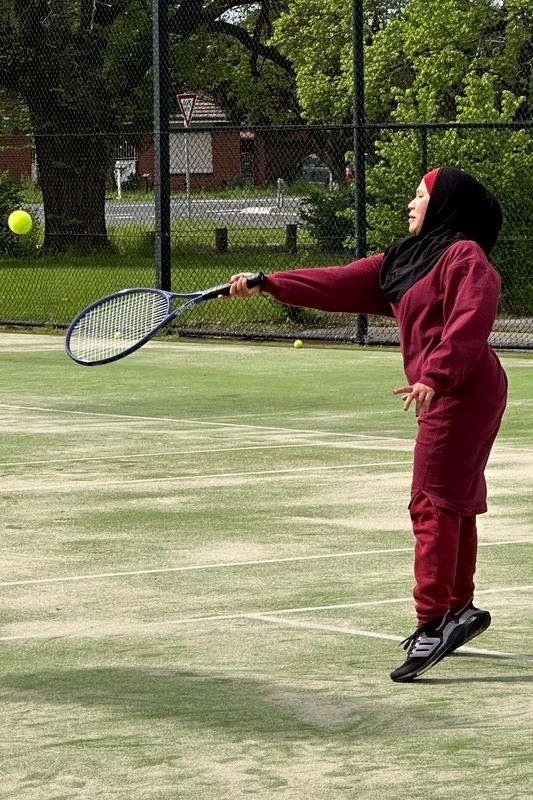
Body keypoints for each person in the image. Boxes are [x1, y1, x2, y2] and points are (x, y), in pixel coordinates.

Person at [226, 166, 507, 683]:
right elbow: (338, 280)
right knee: (455, 499)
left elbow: (475, 313)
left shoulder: (464, 255)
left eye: (420, 195)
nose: (410, 203)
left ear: (445, 205)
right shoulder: (404, 260)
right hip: (450, 388)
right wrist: (269, 283)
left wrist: (436, 375)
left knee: (432, 501)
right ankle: (459, 609)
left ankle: (431, 623)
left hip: (461, 389)